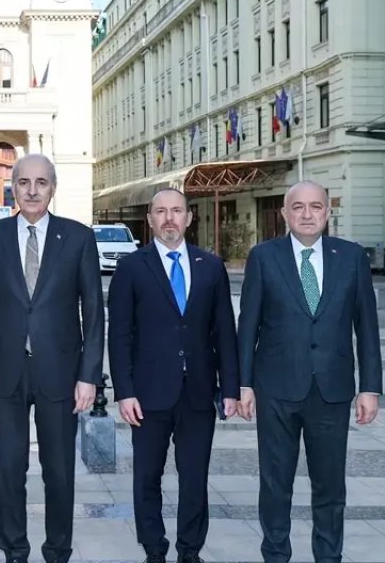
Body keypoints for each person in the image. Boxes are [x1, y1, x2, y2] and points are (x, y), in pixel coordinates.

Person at [0, 153, 104, 563]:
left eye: (41, 182)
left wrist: (89, 375)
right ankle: (14, 550)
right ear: (12, 186)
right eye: (23, 182)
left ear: (53, 188)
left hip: (60, 373)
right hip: (4, 374)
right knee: (9, 470)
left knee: (58, 471)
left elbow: (94, 314)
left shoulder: (78, 238)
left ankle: (58, 550)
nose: (31, 190)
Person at [236, 180, 383, 563]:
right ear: (284, 214)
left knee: (331, 487)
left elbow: (366, 326)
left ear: (327, 212)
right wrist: (244, 383)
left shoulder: (351, 257)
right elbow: (247, 325)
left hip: (331, 392)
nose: (306, 214)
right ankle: (275, 555)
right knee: (275, 484)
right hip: (276, 391)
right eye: (297, 207)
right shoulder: (264, 257)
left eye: (315, 206)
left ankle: (328, 557)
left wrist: (370, 387)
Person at [108, 188, 239, 563]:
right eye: (161, 212)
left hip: (198, 392)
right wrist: (124, 391)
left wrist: (229, 387)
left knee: (194, 477)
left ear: (189, 217)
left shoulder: (210, 266)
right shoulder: (132, 267)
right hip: (147, 395)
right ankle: (154, 548)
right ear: (149, 220)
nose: (169, 218)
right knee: (147, 477)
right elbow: (119, 334)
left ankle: (190, 551)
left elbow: (224, 332)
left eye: (176, 211)